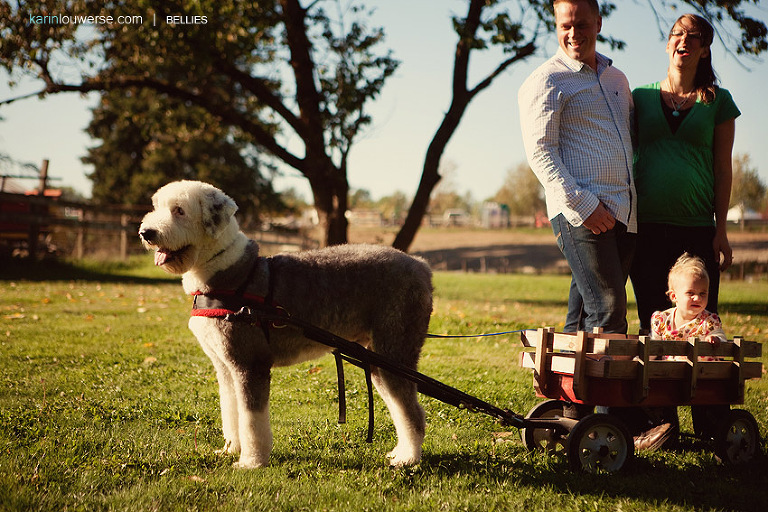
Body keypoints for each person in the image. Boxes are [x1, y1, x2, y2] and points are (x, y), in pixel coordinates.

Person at [518, 0, 636, 334]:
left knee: (584, 315)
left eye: (581, 25)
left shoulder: (617, 79)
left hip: (624, 213)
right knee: (609, 311)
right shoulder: (546, 80)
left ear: (598, 23)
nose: (573, 34)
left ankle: (563, 387)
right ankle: (605, 388)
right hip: (580, 214)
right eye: (565, 26)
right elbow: (540, 153)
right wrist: (585, 205)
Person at [630, 14, 740, 333]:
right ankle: (650, 384)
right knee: (652, 321)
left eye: (694, 36)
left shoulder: (718, 101)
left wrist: (721, 230)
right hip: (646, 227)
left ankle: (698, 383)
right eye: (678, 33)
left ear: (704, 49)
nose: (684, 40)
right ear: (668, 44)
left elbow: (723, 167)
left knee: (701, 323)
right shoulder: (640, 98)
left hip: (697, 229)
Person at [651, 252, 727, 356]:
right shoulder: (663, 320)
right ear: (674, 296)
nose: (698, 298)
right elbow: (652, 350)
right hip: (669, 371)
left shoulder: (709, 321)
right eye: (690, 293)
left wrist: (716, 338)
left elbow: (722, 338)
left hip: (700, 370)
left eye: (702, 293)